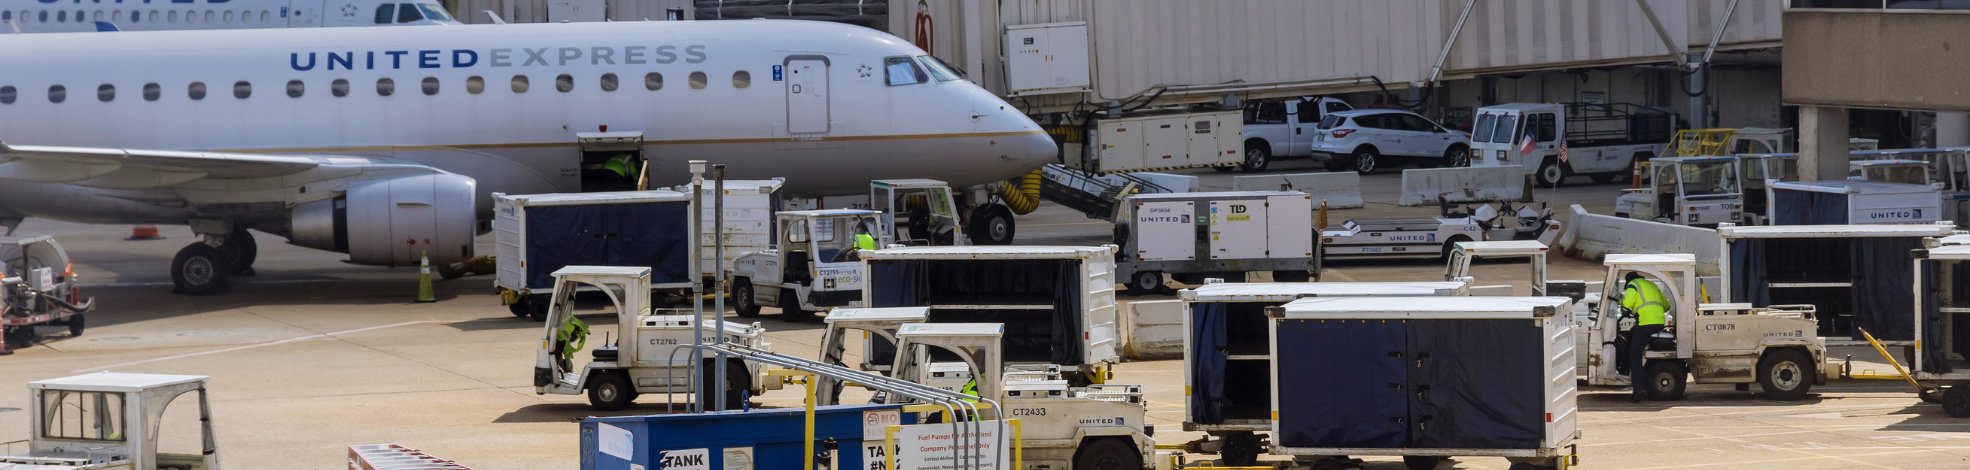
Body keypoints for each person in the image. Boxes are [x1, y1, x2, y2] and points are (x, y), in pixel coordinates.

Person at [1621, 271, 1669, 403]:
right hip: (1659, 323)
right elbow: (1666, 305)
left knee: (1634, 354)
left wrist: (1621, 301)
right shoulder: (1651, 285)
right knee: (1631, 335)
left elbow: (1627, 303)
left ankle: (1638, 388)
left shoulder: (1632, 285)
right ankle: (1624, 370)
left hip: (1645, 324)